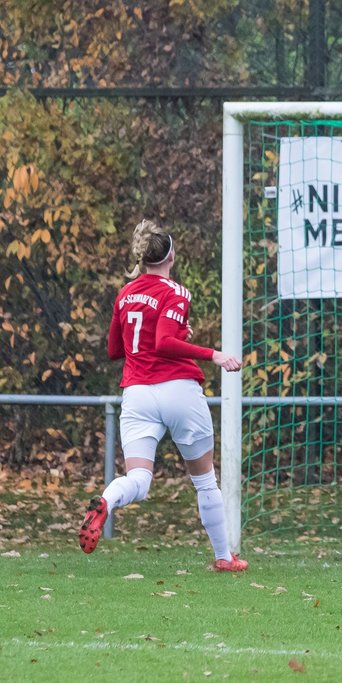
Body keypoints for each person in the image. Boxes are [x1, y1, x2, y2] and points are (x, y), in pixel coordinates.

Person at [79, 220, 247, 572]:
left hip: (137, 394)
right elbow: (165, 343)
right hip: (178, 390)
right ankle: (223, 557)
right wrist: (214, 354)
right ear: (171, 254)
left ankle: (106, 501)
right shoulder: (176, 292)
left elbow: (113, 350)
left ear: (143, 257)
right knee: (204, 480)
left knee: (138, 481)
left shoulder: (124, 295)